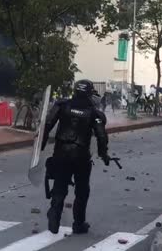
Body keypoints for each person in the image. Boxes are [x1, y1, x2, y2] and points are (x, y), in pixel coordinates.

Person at [41, 79, 112, 235]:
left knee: (60, 186)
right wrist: (103, 154)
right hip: (81, 156)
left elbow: (46, 125)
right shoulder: (94, 113)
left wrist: (41, 146)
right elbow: (101, 135)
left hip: (61, 153)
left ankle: (55, 212)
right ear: (89, 93)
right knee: (82, 190)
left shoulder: (62, 106)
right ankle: (78, 224)